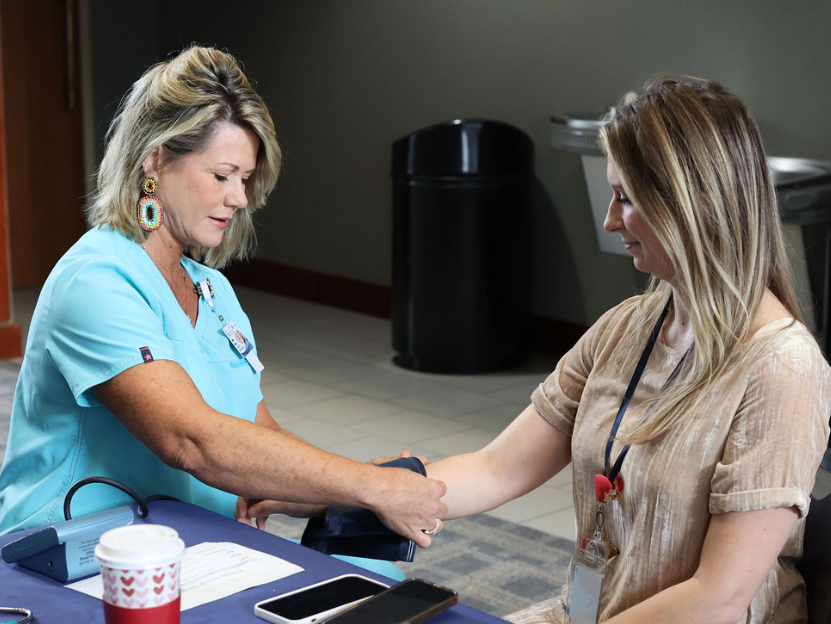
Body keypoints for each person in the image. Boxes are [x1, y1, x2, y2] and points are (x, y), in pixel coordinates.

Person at [0, 47, 447, 560]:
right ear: (156, 157)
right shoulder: (96, 281)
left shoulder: (213, 292)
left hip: (195, 551)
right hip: (74, 558)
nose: (240, 198)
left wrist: (348, 482)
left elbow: (256, 431)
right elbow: (192, 441)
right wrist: (369, 486)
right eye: (222, 175)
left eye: (245, 179)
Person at [421, 77, 830, 623]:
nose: (611, 220)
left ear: (698, 201)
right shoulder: (628, 327)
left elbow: (719, 597)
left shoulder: (783, 367)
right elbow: (495, 469)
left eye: (626, 198)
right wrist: (350, 491)